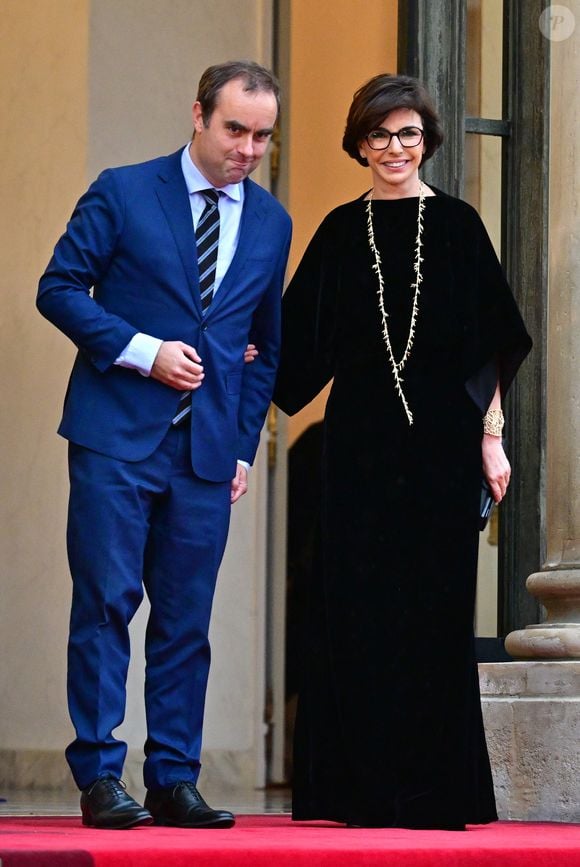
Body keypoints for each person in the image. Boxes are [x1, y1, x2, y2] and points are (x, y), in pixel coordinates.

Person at [37, 60, 291, 830]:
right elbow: (58, 288)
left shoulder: (273, 220)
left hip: (208, 454)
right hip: (116, 434)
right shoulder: (123, 189)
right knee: (107, 603)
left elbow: (263, 348)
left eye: (262, 136)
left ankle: (174, 777)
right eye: (234, 130)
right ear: (198, 116)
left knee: (186, 620)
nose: (247, 149)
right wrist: (144, 349)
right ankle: (99, 774)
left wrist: (243, 445)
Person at [274, 73, 531, 830]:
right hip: (355, 452)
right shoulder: (335, 231)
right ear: (359, 142)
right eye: (380, 134)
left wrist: (491, 441)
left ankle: (432, 792)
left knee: (434, 614)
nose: (395, 147)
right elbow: (291, 352)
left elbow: (493, 347)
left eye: (409, 133)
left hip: (442, 455)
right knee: (355, 616)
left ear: (428, 141)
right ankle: (358, 792)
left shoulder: (457, 226)